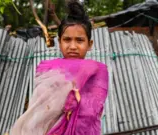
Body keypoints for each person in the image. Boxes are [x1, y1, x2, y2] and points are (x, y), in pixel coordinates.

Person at [9, 1, 108, 135]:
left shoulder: (97, 71)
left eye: (79, 40)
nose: (73, 46)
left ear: (89, 44)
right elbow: (38, 111)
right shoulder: (48, 70)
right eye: (67, 40)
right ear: (59, 42)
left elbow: (93, 111)